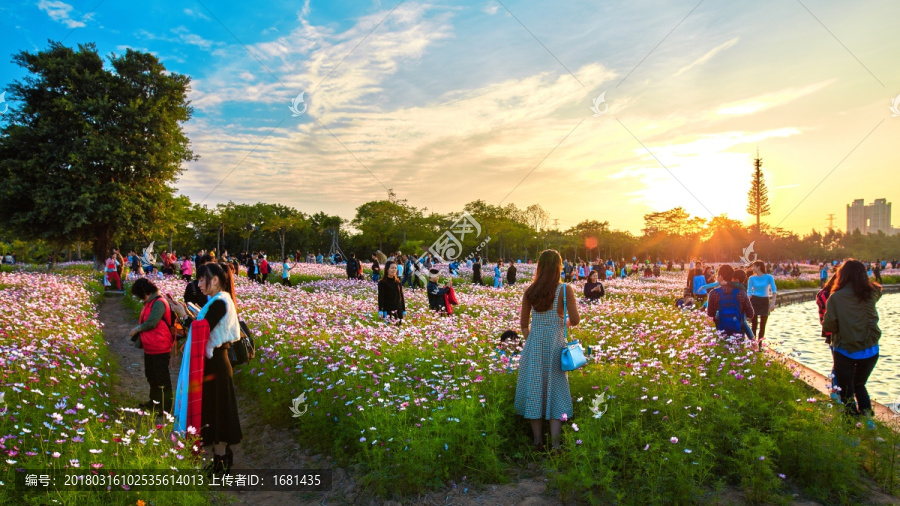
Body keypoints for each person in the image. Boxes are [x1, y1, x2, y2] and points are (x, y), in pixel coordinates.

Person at [172, 263, 243, 474]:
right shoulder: (217, 301)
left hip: (217, 365)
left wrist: (184, 317)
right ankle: (221, 458)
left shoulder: (220, 302)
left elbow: (202, 330)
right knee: (214, 410)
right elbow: (203, 327)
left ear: (215, 280)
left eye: (202, 279)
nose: (199, 284)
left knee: (217, 412)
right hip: (214, 363)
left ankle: (221, 463)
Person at [515, 249, 580, 453]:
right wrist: (563, 323)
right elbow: (575, 320)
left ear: (540, 267)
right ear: (559, 266)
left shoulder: (530, 290)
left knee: (534, 391)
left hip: (533, 348)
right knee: (557, 393)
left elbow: (524, 325)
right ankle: (556, 445)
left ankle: (537, 442)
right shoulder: (564, 289)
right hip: (556, 346)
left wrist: (533, 340)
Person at [823, 259, 882, 417]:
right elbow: (876, 292)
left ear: (842, 275)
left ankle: (851, 424)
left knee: (847, 390)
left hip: (845, 349)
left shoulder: (836, 298)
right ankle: (868, 420)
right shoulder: (872, 293)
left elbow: (829, 325)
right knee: (859, 384)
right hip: (871, 349)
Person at [129, 278, 174, 413]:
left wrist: (137, 329)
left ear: (144, 292)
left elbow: (152, 322)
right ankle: (154, 402)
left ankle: (166, 407)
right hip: (150, 346)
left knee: (162, 378)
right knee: (151, 376)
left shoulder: (159, 303)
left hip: (160, 346)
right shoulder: (149, 303)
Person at [706, 265, 754, 338]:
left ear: (721, 277)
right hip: (738, 332)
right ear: (732, 277)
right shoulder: (741, 292)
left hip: (721, 332)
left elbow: (710, 313)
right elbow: (750, 314)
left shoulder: (713, 293)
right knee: (738, 349)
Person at [747, 260, 777, 346]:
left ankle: (760, 345)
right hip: (754, 300)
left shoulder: (769, 277)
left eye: (754, 266)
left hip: (765, 301)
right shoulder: (751, 278)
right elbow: (749, 292)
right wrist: (747, 304)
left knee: (763, 325)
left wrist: (772, 303)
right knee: (754, 324)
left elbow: (774, 290)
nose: (753, 268)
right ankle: (753, 344)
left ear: (759, 267)